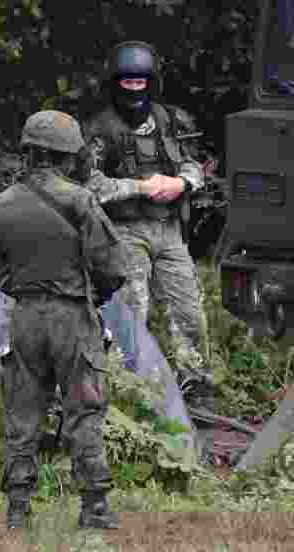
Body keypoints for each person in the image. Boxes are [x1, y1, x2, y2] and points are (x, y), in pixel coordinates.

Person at [0, 110, 128, 530]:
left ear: (29, 151)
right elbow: (114, 267)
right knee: (84, 410)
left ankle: (17, 509)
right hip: (72, 316)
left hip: (26, 317)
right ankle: (95, 507)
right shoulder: (81, 200)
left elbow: (2, 272)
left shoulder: (3, 203)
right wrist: (90, 297)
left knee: (23, 413)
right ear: (69, 154)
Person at [82, 40, 210, 390]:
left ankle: (194, 382)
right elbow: (89, 185)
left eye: (141, 81)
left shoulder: (170, 120)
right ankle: (126, 387)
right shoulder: (100, 129)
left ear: (151, 82)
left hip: (169, 229)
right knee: (130, 312)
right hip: (123, 231)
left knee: (189, 312)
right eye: (128, 81)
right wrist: (140, 187)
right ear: (115, 82)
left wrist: (180, 182)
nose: (135, 88)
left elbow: (195, 165)